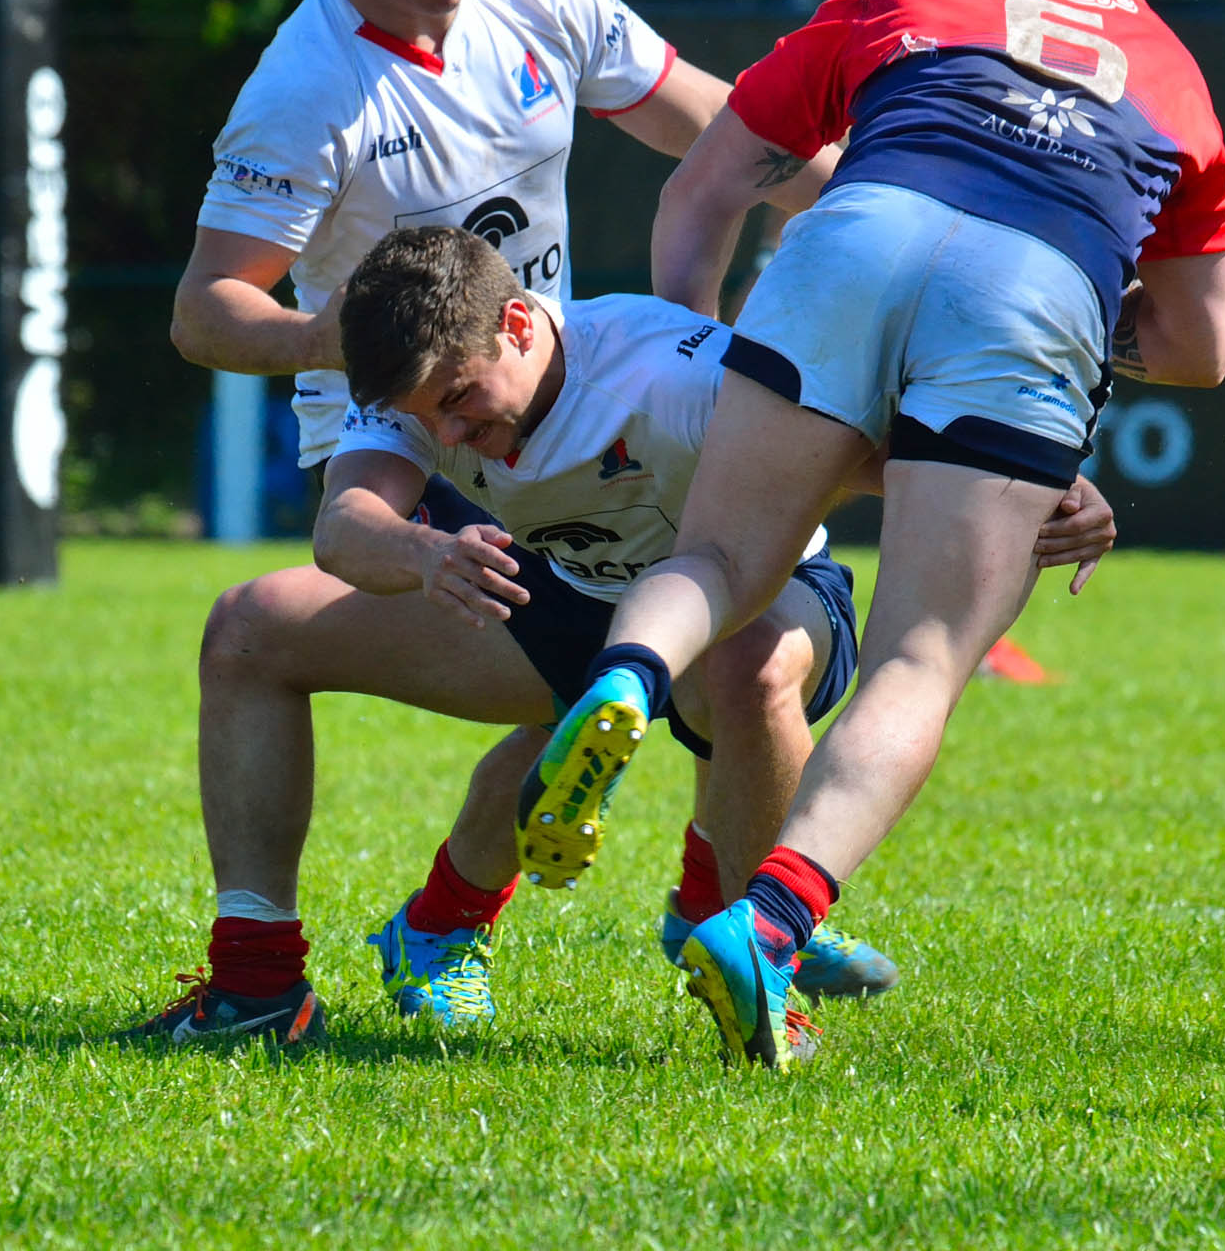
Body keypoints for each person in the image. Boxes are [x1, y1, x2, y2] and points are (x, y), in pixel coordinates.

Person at [520, 0, 1225, 1070]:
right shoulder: (1172, 63)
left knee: (716, 561)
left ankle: (625, 682)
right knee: (919, 652)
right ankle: (769, 918)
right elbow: (1204, 344)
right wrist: (1089, 321)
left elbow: (709, 184)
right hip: (1035, 284)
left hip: (856, 231)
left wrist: (696, 357)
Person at [149, 0, 836, 1037]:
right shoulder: (307, 93)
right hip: (425, 448)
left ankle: (703, 914)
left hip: (566, 398)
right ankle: (291, 973)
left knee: (665, 666)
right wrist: (384, 361)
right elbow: (203, 313)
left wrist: (873, 222)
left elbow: (726, 134)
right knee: (321, 638)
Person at [122, 227, 1118, 1044]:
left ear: (520, 322)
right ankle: (258, 989)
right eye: (433, 423)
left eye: (465, 404)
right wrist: (423, 554)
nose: (456, 439)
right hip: (556, 587)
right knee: (250, 625)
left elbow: (876, 454)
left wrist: (1039, 492)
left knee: (749, 666)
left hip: (762, 593)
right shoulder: (419, 391)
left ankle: (756, 969)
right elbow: (344, 528)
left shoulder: (669, 376)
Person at [751, 0, 1046, 684]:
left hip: (966, 288)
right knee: (819, 461)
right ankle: (763, 591)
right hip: (847, 277)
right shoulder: (865, 17)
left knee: (940, 454)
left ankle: (958, 628)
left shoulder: (1002, 24)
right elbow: (785, 153)